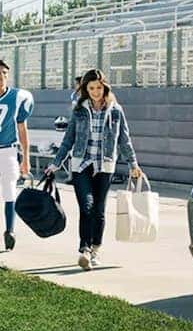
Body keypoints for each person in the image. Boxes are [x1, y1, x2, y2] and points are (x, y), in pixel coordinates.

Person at [45, 69, 142, 270]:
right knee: (86, 207)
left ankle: (95, 248)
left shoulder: (115, 110)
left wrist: (133, 164)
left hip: (105, 166)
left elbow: (124, 140)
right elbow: (68, 139)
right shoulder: (79, 109)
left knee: (99, 210)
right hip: (81, 165)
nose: (95, 92)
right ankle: (84, 250)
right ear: (85, 89)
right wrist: (56, 163)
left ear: (104, 87)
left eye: (98, 87)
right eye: (91, 88)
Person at [0, 59, 33, 252]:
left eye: (3, 74)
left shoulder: (18, 97)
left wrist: (26, 157)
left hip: (8, 150)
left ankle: (10, 230)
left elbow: (22, 129)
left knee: (10, 190)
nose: (1, 78)